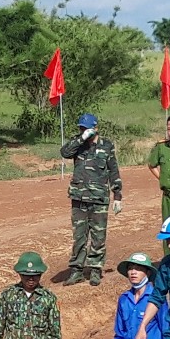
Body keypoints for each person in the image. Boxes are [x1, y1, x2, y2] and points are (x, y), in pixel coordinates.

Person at [58, 112, 121, 285]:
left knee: (98, 235)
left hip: (99, 198)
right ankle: (77, 270)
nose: (84, 130)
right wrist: (80, 138)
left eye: (87, 128)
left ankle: (95, 269)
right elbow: (64, 152)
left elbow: (113, 170)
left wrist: (117, 195)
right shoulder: (77, 144)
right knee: (79, 236)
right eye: (81, 128)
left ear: (96, 128)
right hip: (79, 197)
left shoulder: (106, 145)